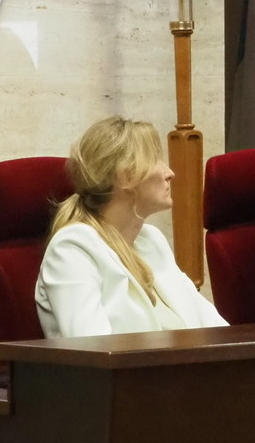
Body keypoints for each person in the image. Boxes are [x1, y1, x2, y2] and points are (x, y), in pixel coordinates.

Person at [35, 116, 227, 338]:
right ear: (125, 177)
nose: (169, 173)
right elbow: (91, 347)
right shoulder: (72, 248)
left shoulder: (151, 240)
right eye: (155, 160)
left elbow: (214, 326)